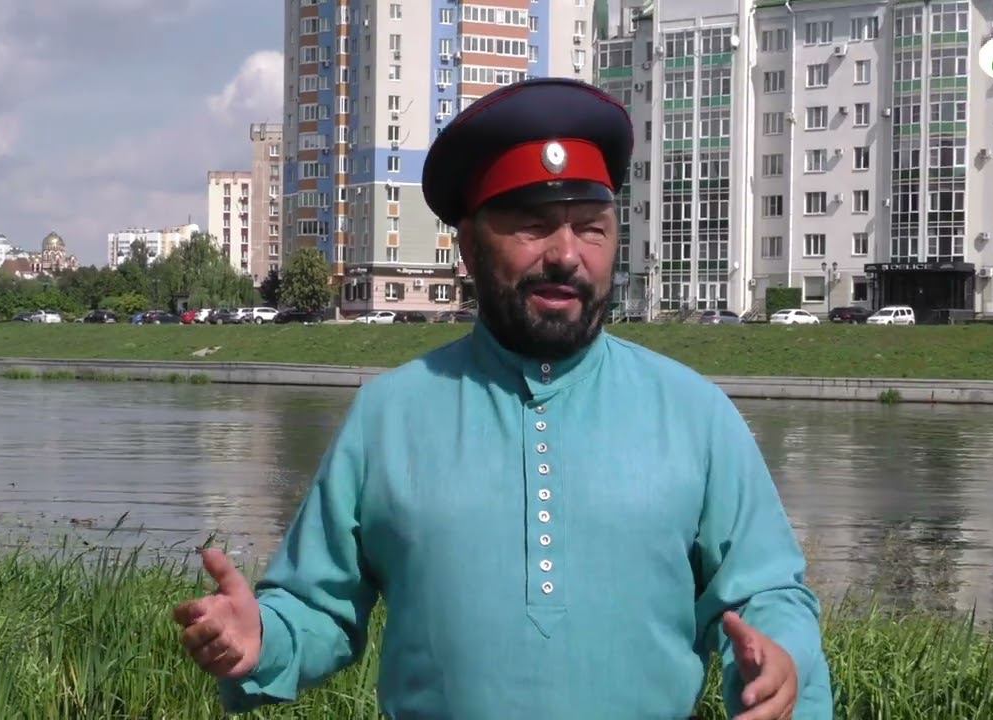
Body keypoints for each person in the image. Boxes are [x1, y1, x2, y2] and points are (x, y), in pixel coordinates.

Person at [173, 77, 833, 719]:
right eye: (532, 226)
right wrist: (263, 638)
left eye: (591, 228)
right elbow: (318, 606)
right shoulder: (389, 417)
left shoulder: (695, 415)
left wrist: (783, 660)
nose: (566, 254)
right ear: (469, 245)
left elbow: (767, 593)